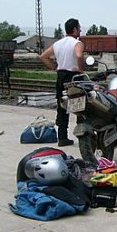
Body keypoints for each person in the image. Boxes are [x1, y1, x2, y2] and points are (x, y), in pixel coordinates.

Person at [39, 18, 84, 147]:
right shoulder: (77, 43)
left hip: (61, 76)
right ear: (75, 29)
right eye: (79, 28)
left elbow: (43, 57)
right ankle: (83, 135)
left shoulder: (58, 44)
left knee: (62, 106)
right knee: (80, 106)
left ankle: (62, 138)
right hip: (74, 77)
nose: (80, 30)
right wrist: (80, 69)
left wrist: (54, 67)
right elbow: (79, 55)